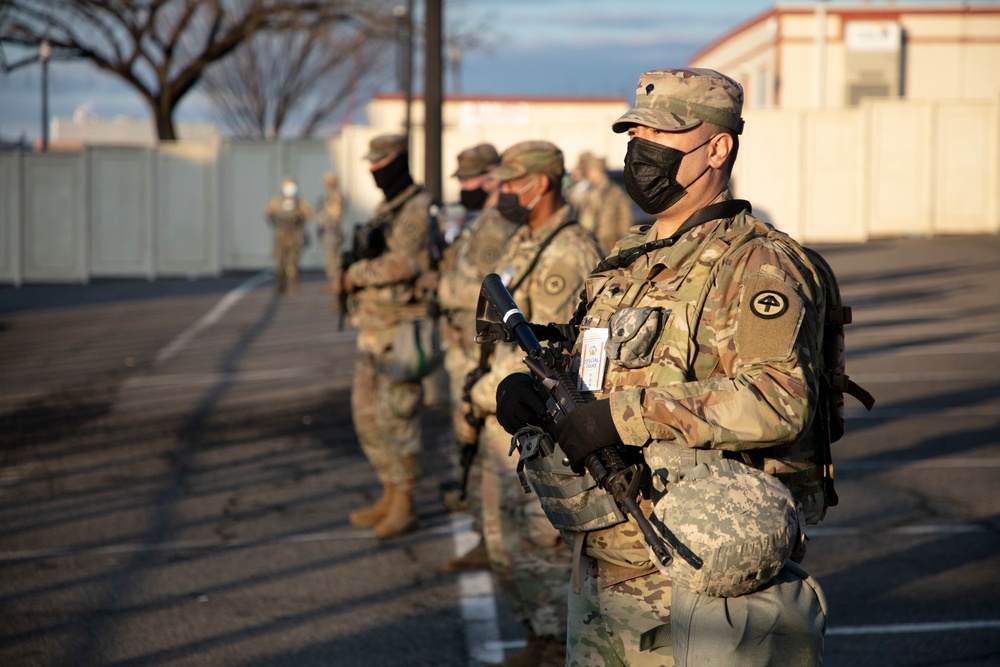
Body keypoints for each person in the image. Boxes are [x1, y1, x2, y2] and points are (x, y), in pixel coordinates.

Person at [494, 68, 826, 666]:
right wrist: (535, 394)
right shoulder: (626, 260)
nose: (638, 154)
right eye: (634, 136)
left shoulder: (757, 265)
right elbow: (591, 371)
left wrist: (627, 416)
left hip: (691, 583)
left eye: (660, 139)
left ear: (718, 147)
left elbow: (780, 398)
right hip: (600, 570)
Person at [468, 141, 603, 666]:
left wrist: (488, 393)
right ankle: (537, 638)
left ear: (541, 182)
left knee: (544, 546)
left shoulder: (570, 250)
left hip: (541, 424)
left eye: (510, 182)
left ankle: (553, 645)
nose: (501, 193)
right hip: (507, 412)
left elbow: (559, 355)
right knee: (508, 542)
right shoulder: (525, 240)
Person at [343, 133, 434, 540]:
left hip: (399, 330)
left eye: (379, 163)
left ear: (396, 161)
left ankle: (406, 501)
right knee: (367, 416)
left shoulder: (415, 208)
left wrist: (355, 273)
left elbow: (407, 263)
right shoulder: (387, 207)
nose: (373, 171)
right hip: (372, 330)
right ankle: (389, 489)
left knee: (397, 418)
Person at [437, 143, 519, 573]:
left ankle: (493, 538)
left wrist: (441, 290)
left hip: (478, 346)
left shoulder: (495, 225)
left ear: (489, 177)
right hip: (462, 341)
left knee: (485, 438)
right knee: (469, 434)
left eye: (468, 180)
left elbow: (481, 288)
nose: (463, 187)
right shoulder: (480, 221)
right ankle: (486, 533)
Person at [576, 153, 633, 256]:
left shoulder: (614, 192)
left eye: (591, 171)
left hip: (609, 242)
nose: (589, 174)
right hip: (594, 241)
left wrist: (624, 242)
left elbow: (625, 219)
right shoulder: (590, 190)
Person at [264, 176, 312, 294]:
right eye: (288, 185)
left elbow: (308, 214)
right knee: (280, 259)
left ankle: (293, 283)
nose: (290, 188)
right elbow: (268, 213)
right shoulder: (276, 201)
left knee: (293, 259)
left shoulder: (300, 202)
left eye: (292, 185)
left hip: (295, 234)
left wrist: (299, 222)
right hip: (281, 234)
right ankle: (280, 283)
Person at [316, 171, 345, 293]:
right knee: (330, 257)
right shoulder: (328, 196)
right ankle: (333, 281)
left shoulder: (336, 196)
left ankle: (336, 281)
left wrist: (326, 220)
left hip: (333, 231)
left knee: (334, 257)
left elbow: (335, 214)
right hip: (328, 230)